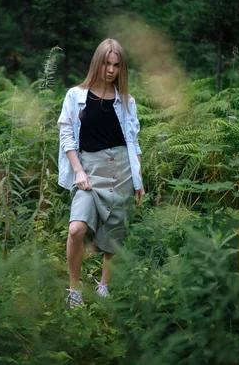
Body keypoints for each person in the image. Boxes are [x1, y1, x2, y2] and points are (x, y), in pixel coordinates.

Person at [57, 38, 145, 308]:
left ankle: (104, 287)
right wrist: (78, 171)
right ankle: (74, 289)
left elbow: (134, 141)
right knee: (76, 229)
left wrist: (139, 180)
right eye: (106, 63)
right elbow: (66, 136)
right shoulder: (76, 96)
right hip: (90, 171)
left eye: (116, 65)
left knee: (115, 233)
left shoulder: (127, 102)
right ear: (97, 62)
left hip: (122, 171)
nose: (111, 70)